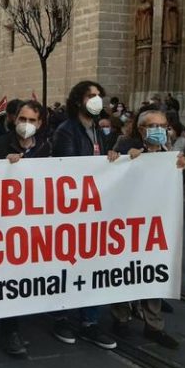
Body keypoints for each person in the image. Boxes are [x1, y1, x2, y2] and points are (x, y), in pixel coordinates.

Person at [51, 80, 118, 350]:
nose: (97, 100)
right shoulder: (66, 131)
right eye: (91, 95)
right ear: (79, 100)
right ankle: (62, 317)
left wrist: (111, 159)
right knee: (68, 263)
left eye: (99, 95)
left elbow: (97, 162)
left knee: (93, 264)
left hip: (93, 209)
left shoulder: (96, 131)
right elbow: (69, 168)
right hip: (72, 210)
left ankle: (90, 321)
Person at [110, 109, 183, 349]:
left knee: (153, 273)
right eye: (154, 126)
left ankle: (154, 326)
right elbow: (109, 173)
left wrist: (184, 166)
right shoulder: (125, 145)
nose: (160, 130)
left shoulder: (169, 153)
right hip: (126, 224)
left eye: (163, 126)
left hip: (155, 225)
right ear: (141, 129)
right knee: (124, 272)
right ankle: (121, 318)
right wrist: (123, 158)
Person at [0, 100, 50, 357]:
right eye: (23, 119)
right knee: (8, 275)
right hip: (2, 224)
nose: (26, 125)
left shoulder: (46, 148)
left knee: (25, 276)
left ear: (40, 123)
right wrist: (3, 166)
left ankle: (16, 326)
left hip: (33, 225)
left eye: (32, 121)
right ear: (14, 119)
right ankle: (9, 331)